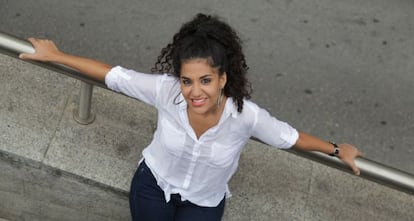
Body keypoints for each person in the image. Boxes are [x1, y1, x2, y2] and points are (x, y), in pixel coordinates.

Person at [19, 13, 362, 221]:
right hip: (153, 188)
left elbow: (293, 138)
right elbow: (113, 74)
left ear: (223, 79)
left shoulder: (246, 116)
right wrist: (56, 55)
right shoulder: (166, 91)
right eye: (187, 80)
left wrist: (337, 150)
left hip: (204, 203)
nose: (195, 92)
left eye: (205, 81)